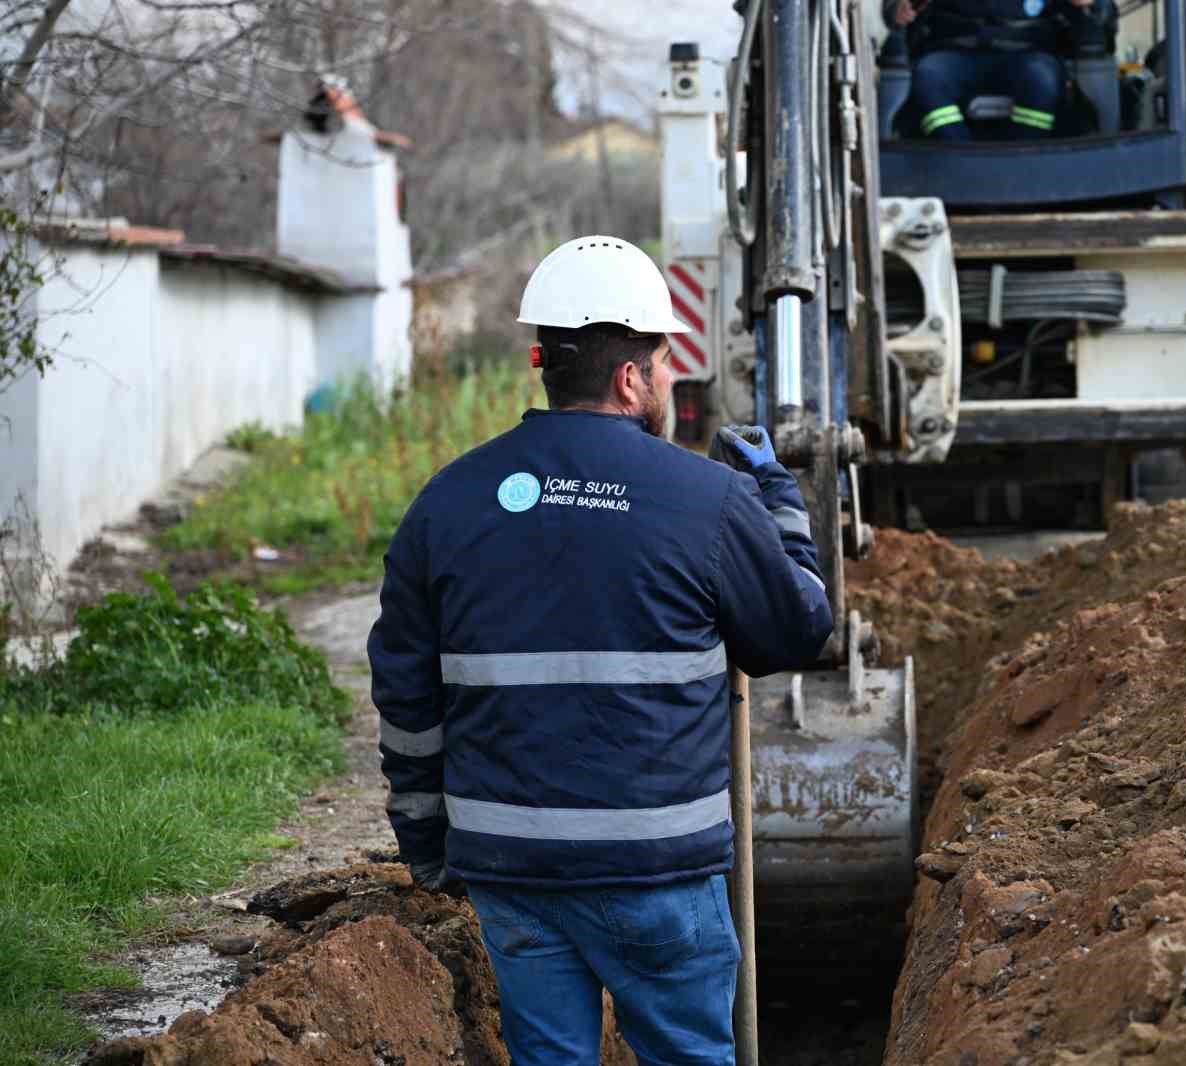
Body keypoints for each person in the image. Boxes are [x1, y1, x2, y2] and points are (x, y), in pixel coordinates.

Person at [368, 235, 834, 1065]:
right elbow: (797, 631)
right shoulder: (711, 500)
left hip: (512, 872)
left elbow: (405, 693)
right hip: (657, 874)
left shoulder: (445, 502)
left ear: (547, 359)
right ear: (631, 378)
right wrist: (778, 501)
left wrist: (426, 838)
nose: (667, 382)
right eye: (663, 364)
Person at [894, 0, 1111, 141]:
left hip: (1030, 55)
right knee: (927, 78)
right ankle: (962, 160)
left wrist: (1092, 5)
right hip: (953, 52)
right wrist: (898, 9)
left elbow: (1104, 15)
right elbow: (896, 10)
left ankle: (1020, 162)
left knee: (1042, 82)